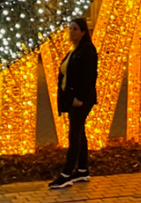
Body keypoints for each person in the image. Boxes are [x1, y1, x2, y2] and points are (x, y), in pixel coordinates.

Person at [49, 18, 99, 189]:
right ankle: (83, 170)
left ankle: (66, 174)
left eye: (75, 29)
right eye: (70, 28)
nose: (71, 32)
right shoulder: (73, 50)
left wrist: (80, 97)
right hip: (72, 98)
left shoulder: (88, 50)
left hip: (81, 100)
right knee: (79, 132)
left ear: (84, 32)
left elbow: (89, 77)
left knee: (74, 134)